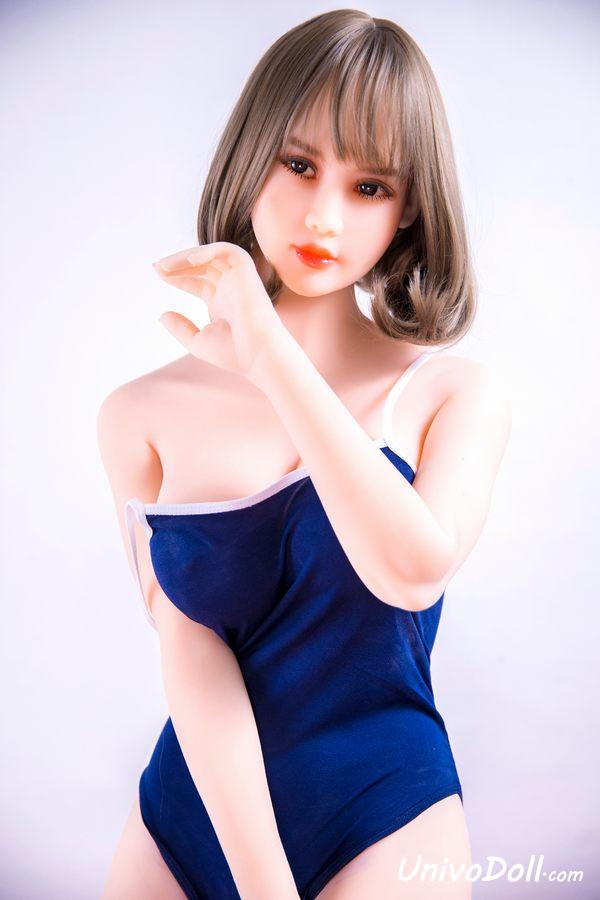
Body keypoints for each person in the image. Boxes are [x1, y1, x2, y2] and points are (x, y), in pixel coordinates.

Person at [97, 9, 511, 899]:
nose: (324, 215)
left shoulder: (451, 394)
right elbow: (189, 652)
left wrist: (269, 360)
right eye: (298, 165)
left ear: (409, 210)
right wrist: (264, 886)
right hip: (190, 816)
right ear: (252, 157)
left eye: (370, 186)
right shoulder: (138, 416)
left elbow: (412, 571)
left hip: (387, 813)